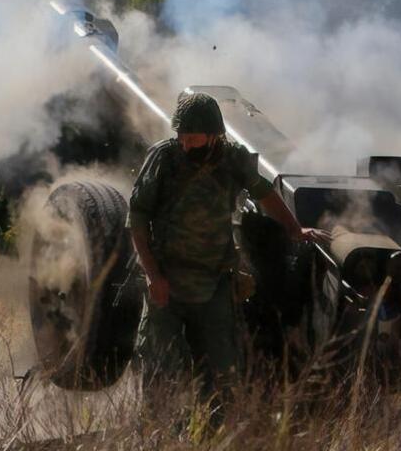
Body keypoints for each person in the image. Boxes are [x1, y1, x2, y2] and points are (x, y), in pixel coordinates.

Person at [127, 91, 328, 426]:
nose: (186, 144)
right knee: (160, 365)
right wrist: (152, 275)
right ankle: (158, 435)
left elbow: (264, 193)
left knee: (223, 367)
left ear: (213, 135)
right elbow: (137, 218)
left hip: (214, 282)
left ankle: (213, 435)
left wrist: (295, 229)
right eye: (181, 136)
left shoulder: (232, 158)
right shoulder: (164, 158)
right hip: (167, 282)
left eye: (192, 137)